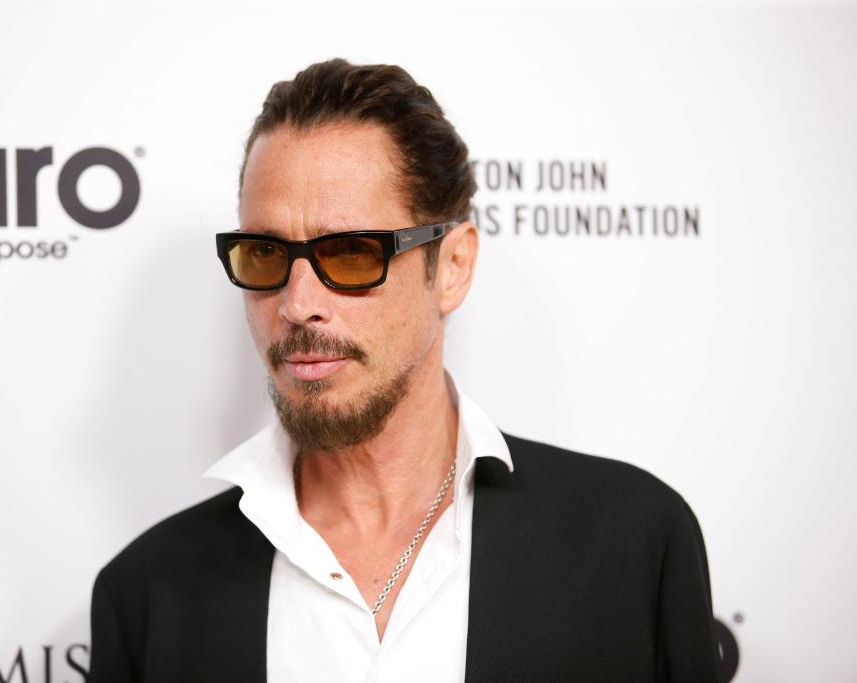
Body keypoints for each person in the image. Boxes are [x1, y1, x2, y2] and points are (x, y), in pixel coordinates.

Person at [88, 58, 721, 683]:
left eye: (350, 253)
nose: (297, 304)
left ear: (452, 268)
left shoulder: (634, 546)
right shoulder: (146, 596)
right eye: (264, 253)